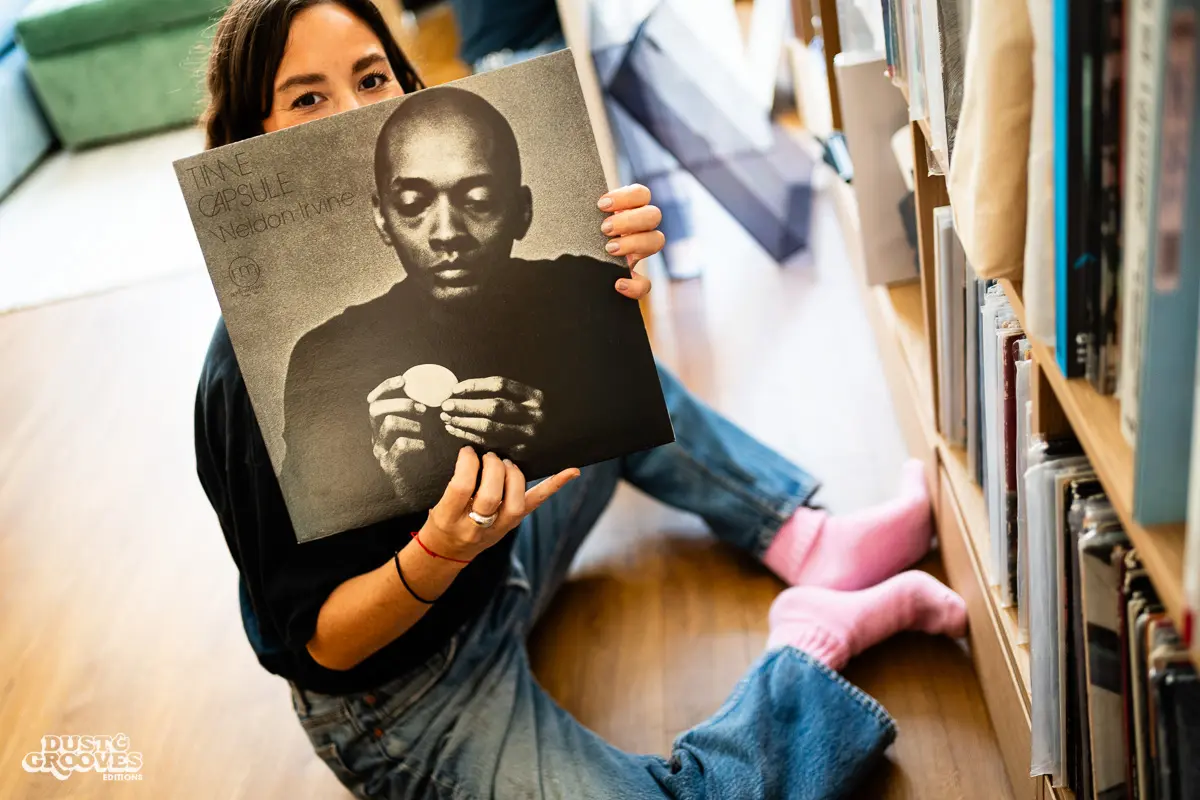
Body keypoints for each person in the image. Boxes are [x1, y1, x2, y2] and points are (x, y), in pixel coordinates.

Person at [194, 1, 969, 798]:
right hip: (405, 696)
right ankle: (808, 647)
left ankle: (807, 541)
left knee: (603, 373)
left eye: (371, 78)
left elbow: (595, 356)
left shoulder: (497, 270)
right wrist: (441, 549)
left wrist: (610, 285)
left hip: (498, 560)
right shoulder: (273, 371)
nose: (354, 115)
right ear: (253, 140)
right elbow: (326, 646)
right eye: (308, 97)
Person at [279, 84, 672, 542]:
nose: (447, 233)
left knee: (648, 388)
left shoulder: (587, 290)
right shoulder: (325, 357)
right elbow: (312, 551)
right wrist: (400, 495)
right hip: (446, 578)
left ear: (522, 211)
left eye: (479, 200)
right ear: (382, 217)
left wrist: (555, 434)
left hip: (535, 518)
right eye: (413, 204)